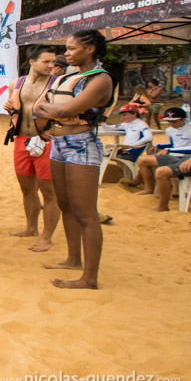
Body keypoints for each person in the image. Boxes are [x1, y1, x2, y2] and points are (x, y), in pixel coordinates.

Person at [32, 29, 116, 290]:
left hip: (82, 146)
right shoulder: (71, 77)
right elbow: (37, 109)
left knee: (86, 213)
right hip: (59, 144)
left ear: (90, 49)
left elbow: (64, 109)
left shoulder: (100, 80)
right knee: (65, 205)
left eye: (71, 48)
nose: (66, 53)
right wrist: (55, 111)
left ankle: (89, 279)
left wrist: (55, 111)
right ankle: (72, 259)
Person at [3, 45, 61, 252]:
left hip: (46, 142)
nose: (51, 66)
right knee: (27, 189)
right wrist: (9, 108)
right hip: (21, 140)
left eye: (53, 62)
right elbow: (12, 107)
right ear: (32, 62)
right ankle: (31, 228)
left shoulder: (57, 84)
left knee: (50, 192)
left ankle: (47, 237)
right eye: (46, 61)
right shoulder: (16, 84)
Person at [123, 106, 191, 200]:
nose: (171, 124)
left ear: (183, 120)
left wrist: (169, 150)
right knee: (145, 159)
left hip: (186, 157)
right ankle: (147, 187)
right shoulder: (169, 130)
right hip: (174, 154)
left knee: (165, 165)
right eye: (169, 121)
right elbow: (171, 143)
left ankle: (173, 189)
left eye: (174, 121)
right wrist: (159, 145)